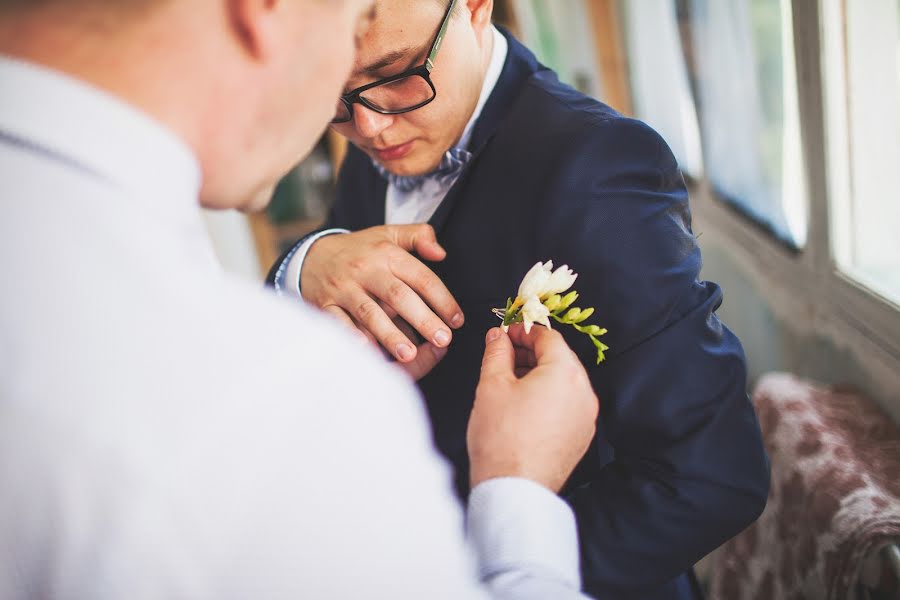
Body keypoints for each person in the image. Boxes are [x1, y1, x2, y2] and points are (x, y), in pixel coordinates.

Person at [0, 0, 602, 598]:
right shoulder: (284, 394)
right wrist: (519, 499)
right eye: (351, 27)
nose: (367, 126)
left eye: (390, 70)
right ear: (271, 9)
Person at [267, 0, 772, 598]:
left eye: (399, 73)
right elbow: (344, 274)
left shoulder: (598, 169)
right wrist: (307, 262)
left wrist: (478, 567)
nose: (370, 128)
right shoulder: (374, 127)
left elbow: (711, 476)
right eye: (333, 89)